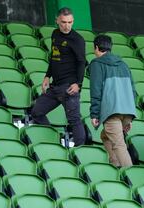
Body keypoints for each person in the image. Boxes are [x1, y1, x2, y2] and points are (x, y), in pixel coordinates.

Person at [31, 7, 86, 146]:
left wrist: (78, 84)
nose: (67, 25)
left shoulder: (78, 40)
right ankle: (53, 141)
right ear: (57, 21)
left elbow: (81, 63)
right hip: (55, 87)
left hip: (69, 88)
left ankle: (81, 152)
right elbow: (54, 57)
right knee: (37, 112)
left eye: (70, 22)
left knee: (74, 120)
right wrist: (47, 76)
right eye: (63, 22)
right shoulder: (55, 34)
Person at [89, 34, 136, 167]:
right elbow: (133, 90)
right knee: (105, 136)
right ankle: (115, 165)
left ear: (96, 48)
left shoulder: (96, 64)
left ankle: (131, 178)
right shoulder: (123, 65)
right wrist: (130, 116)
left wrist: (94, 114)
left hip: (112, 111)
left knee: (119, 145)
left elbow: (96, 90)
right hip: (127, 110)